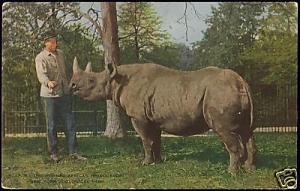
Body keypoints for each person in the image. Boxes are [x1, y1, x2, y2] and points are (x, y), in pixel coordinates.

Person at [35, 31, 87, 162]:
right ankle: (53, 153)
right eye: (52, 41)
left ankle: (74, 152)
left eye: (55, 41)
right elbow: (41, 75)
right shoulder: (40, 57)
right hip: (49, 96)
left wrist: (70, 85)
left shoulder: (61, 54)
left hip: (64, 94)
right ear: (45, 43)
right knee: (51, 125)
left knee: (70, 123)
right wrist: (48, 82)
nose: (54, 43)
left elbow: (65, 73)